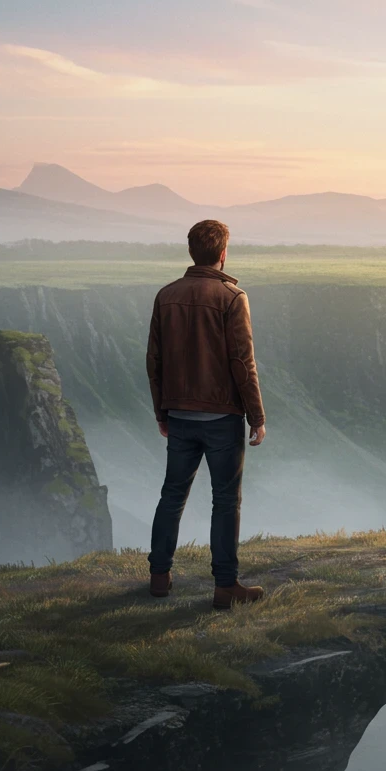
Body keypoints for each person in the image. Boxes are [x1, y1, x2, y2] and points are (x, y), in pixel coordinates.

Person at [145, 220, 267, 610]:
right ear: (223, 253)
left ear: (191, 251)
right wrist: (256, 416)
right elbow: (242, 363)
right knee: (226, 501)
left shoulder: (166, 296)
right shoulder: (232, 297)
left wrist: (162, 412)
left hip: (179, 415)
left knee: (172, 496)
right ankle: (225, 586)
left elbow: (154, 361)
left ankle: (160, 578)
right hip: (221, 418)